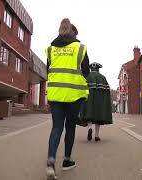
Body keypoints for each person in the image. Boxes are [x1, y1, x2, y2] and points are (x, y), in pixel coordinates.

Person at [45, 18, 90, 180]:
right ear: (72, 32)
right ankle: (66, 160)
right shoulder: (80, 48)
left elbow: (48, 71)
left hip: (56, 94)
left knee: (56, 127)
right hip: (73, 95)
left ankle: (50, 162)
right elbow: (86, 72)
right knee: (70, 127)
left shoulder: (51, 49)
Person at [79, 62, 113, 141]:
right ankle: (96, 136)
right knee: (98, 118)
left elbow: (81, 89)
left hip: (88, 100)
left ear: (91, 68)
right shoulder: (103, 78)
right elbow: (107, 92)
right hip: (99, 102)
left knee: (89, 115)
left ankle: (89, 129)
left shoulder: (86, 77)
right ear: (98, 69)